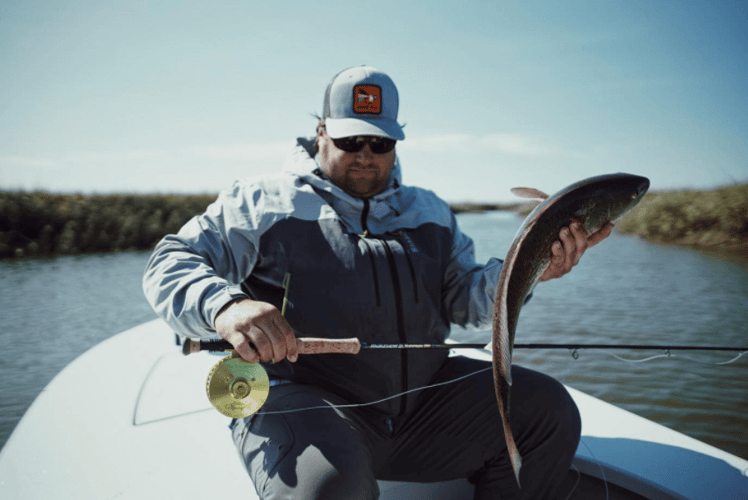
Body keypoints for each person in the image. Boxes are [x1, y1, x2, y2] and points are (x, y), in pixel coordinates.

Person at [143, 66, 613, 500]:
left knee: (546, 409)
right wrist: (226, 306)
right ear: (321, 132)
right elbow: (170, 262)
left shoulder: (430, 210)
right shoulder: (261, 201)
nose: (366, 156)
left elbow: (467, 302)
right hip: (305, 402)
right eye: (351, 141)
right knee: (329, 486)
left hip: (422, 407)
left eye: (380, 143)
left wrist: (531, 271)